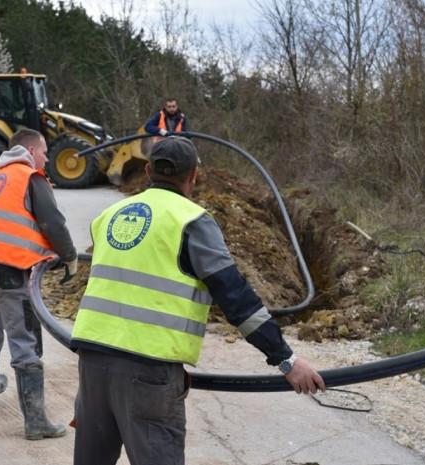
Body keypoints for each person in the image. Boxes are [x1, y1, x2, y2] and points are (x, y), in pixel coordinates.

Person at [70, 136, 325, 464]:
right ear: (194, 176)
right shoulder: (192, 221)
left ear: (148, 171)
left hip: (91, 360)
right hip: (148, 369)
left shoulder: (108, 216)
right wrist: (286, 360)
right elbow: (237, 299)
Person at [0, 128, 78, 440]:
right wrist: (69, 256)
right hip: (7, 268)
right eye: (43, 152)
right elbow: (52, 222)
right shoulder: (30, 177)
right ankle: (36, 422)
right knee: (23, 339)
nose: (47, 158)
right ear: (28, 150)